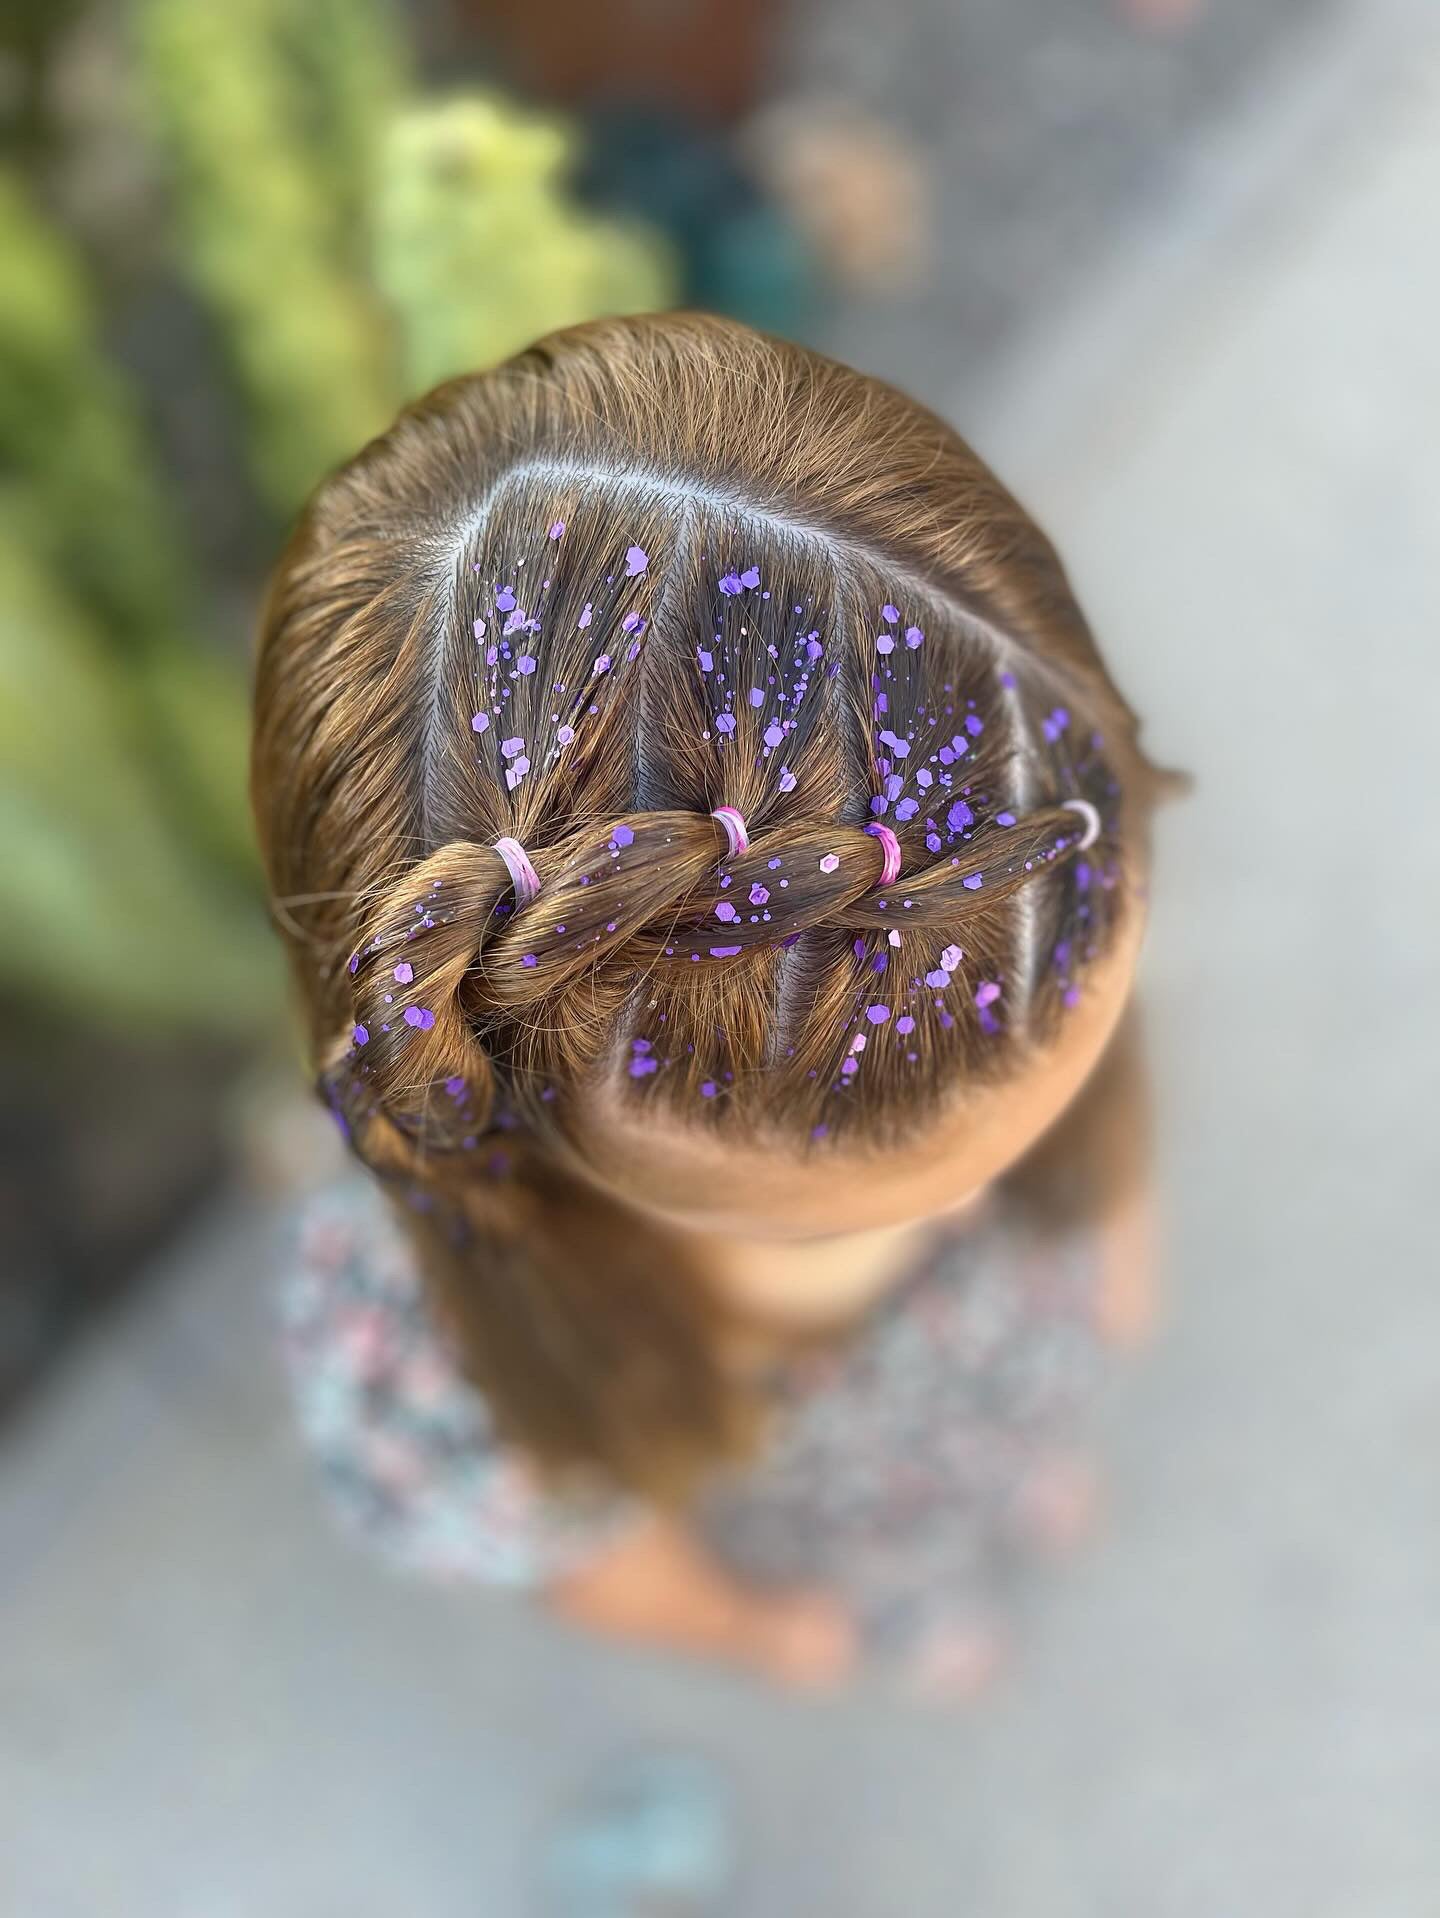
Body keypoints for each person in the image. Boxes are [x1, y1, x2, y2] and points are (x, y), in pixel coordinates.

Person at [253, 312, 1167, 1697]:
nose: (988, 1210)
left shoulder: (1019, 897)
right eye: (889, 1213)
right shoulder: (452, 1380)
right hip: (820, 1509)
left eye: (1054, 1103)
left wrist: (1111, 1234)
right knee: (903, 1577)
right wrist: (755, 1628)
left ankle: (1017, 1480)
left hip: (995, 1388)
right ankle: (920, 1599)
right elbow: (601, 1565)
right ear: (541, 1179)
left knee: (1023, 1436)